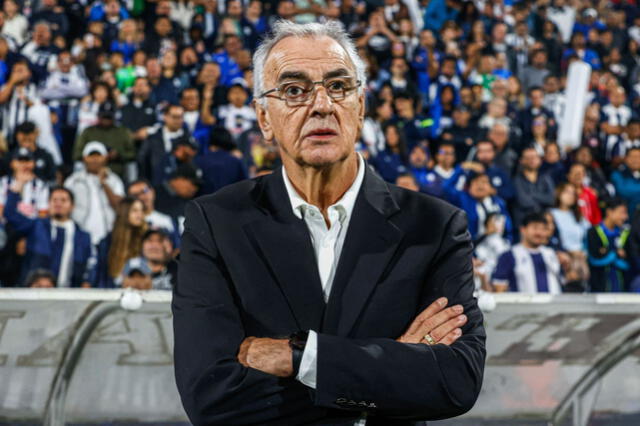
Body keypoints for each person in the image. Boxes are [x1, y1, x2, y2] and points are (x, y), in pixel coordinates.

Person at [173, 21, 485, 425]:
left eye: (338, 86)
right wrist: (390, 368)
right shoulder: (215, 223)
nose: (321, 104)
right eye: (294, 90)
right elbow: (210, 396)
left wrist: (302, 357)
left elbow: (456, 380)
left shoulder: (434, 226)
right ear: (264, 118)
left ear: (360, 106)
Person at [3, 185, 93, 287]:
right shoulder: (36, 226)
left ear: (72, 206)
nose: (58, 204)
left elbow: (91, 264)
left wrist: (88, 282)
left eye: (63, 200)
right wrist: (16, 188)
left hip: (69, 294)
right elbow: (10, 214)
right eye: (54, 200)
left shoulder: (83, 237)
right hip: (36, 293)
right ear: (48, 204)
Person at [64, 141, 125, 245]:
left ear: (105, 158)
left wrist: (104, 183)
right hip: (80, 234)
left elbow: (120, 207)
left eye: (99, 156)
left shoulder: (114, 180)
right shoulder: (73, 181)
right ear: (84, 158)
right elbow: (65, 207)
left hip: (108, 235)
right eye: (91, 156)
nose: (95, 159)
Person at [492, 212, 563, 294]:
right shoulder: (510, 255)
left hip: (554, 305)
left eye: (543, 229)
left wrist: (567, 267)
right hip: (522, 306)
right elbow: (499, 288)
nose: (539, 233)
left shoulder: (552, 254)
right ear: (523, 230)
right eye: (535, 228)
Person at [93, 196, 147, 288]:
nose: (140, 215)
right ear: (124, 212)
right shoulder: (107, 243)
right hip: (111, 292)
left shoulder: (147, 239)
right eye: (135, 210)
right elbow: (100, 275)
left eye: (141, 211)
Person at [73, 101, 136, 179]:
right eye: (104, 117)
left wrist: (118, 155)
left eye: (109, 117)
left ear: (114, 117)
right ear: (98, 116)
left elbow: (132, 154)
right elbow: (77, 154)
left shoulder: (123, 132)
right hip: (91, 175)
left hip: (117, 174)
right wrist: (95, 157)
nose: (106, 120)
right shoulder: (88, 132)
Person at [586, 197, 630, 292]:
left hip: (621, 289)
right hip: (598, 289)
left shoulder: (624, 233)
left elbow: (628, 262)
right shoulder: (593, 232)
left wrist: (607, 251)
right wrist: (615, 253)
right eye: (622, 213)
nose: (625, 217)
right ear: (609, 212)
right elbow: (594, 259)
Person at [195, 127, 247, 195]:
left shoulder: (199, 161)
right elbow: (245, 187)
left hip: (203, 203)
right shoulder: (236, 161)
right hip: (229, 203)